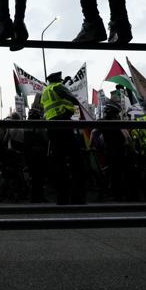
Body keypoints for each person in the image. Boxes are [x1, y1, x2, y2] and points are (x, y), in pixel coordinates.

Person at [41, 71, 85, 204]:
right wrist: (79, 114)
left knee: (59, 163)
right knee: (77, 161)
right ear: (58, 80)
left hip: (52, 128)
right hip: (63, 124)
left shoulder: (45, 91)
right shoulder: (57, 87)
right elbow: (72, 99)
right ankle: (77, 197)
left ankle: (62, 198)